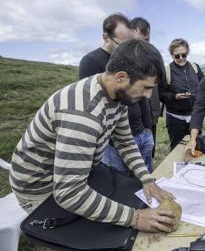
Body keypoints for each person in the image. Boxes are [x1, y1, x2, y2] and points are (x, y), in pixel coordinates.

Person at [10, 40, 177, 233]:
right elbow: (70, 194)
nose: (148, 96)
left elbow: (124, 142)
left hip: (74, 175)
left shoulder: (116, 93)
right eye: (146, 87)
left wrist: (146, 178)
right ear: (121, 77)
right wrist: (135, 217)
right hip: (41, 189)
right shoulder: (84, 115)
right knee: (92, 238)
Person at [79, 14, 156, 174]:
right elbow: (95, 106)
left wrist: (147, 126)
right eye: (122, 44)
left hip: (139, 131)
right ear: (106, 37)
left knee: (145, 176)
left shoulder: (129, 59)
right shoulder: (91, 62)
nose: (127, 49)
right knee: (121, 182)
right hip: (116, 141)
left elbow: (142, 95)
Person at [160, 38, 204, 150]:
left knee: (197, 146)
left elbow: (204, 87)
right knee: (177, 148)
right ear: (171, 55)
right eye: (177, 56)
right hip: (175, 118)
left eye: (183, 55)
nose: (180, 58)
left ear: (187, 52)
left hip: (194, 116)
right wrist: (175, 97)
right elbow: (160, 94)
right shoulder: (166, 71)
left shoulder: (195, 67)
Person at [130, 17, 161, 158]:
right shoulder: (123, 60)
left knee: (149, 158)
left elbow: (160, 86)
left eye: (147, 40)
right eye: (139, 41)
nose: (144, 45)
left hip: (151, 120)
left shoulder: (154, 56)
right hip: (130, 128)